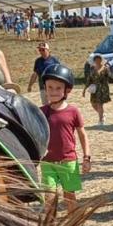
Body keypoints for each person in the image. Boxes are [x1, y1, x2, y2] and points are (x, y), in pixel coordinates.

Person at [39, 64, 90, 212]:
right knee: (49, 196)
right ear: (45, 88)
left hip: (68, 161)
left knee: (69, 196)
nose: (53, 92)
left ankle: (72, 223)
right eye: (50, 87)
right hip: (47, 162)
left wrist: (87, 157)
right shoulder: (41, 112)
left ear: (67, 90)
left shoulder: (73, 111)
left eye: (58, 88)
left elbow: (82, 134)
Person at [82, 50, 112, 126]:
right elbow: (89, 79)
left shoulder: (105, 68)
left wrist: (108, 70)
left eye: (99, 59)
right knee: (93, 103)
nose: (97, 60)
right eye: (96, 59)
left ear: (101, 60)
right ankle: (102, 114)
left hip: (102, 89)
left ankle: (101, 121)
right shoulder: (92, 69)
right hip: (94, 90)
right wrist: (84, 89)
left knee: (99, 104)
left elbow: (110, 77)